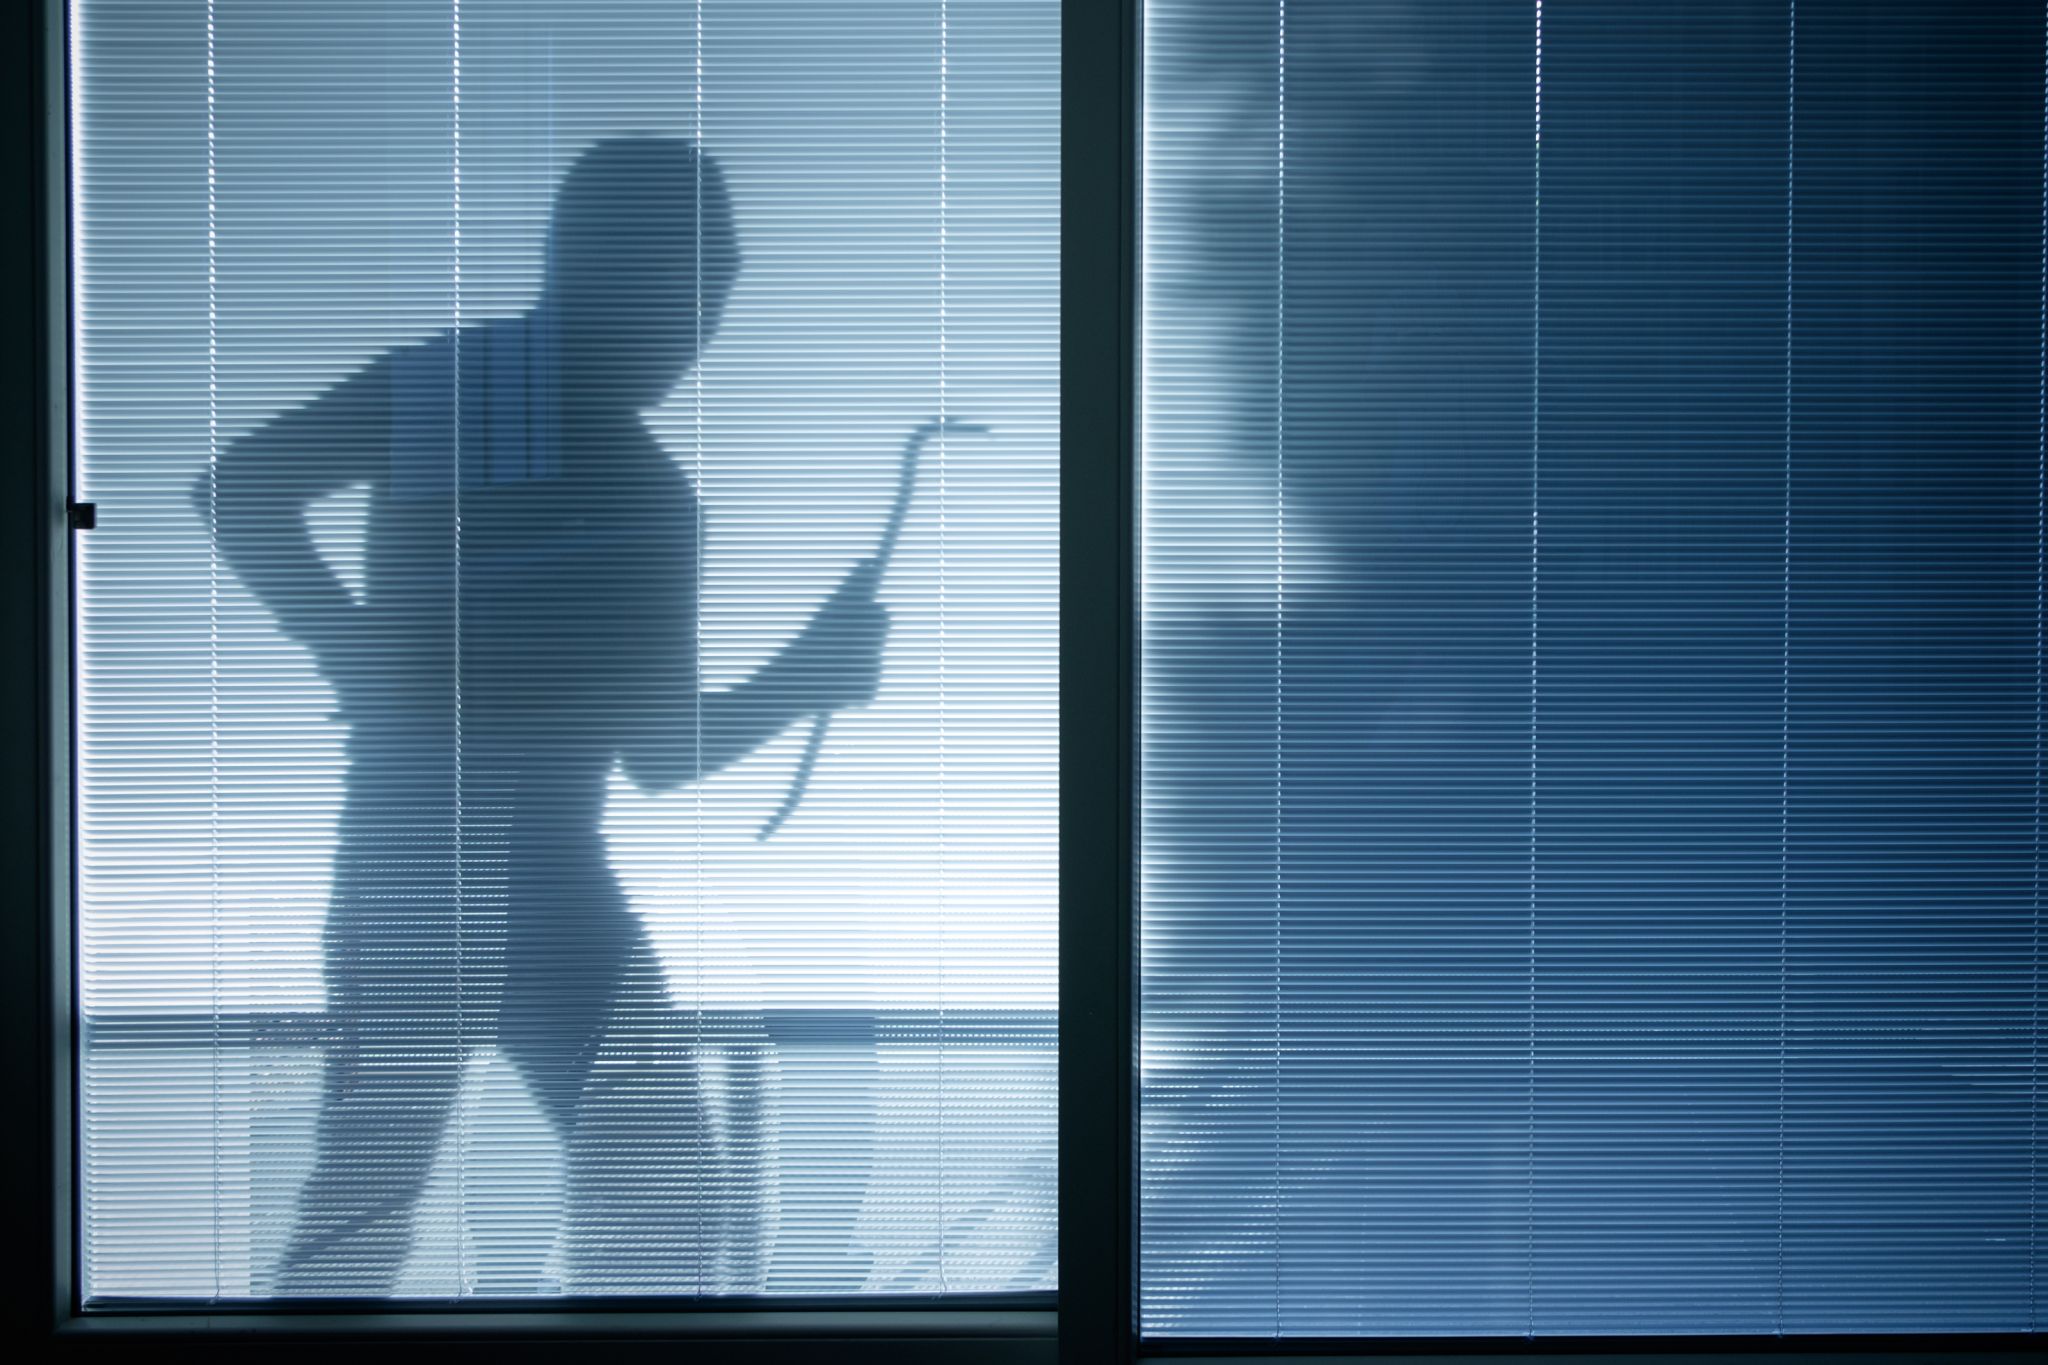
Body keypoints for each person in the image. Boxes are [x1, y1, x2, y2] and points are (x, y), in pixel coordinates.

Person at [197, 136, 889, 1294]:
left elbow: (245, 487)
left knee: (367, 1210)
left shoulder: (472, 399)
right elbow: (669, 756)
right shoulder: (634, 487)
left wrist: (356, 652)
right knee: (653, 1201)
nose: (700, 328)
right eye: (689, 289)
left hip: (432, 866)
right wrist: (801, 681)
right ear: (598, 266)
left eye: (714, 294)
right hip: (525, 882)